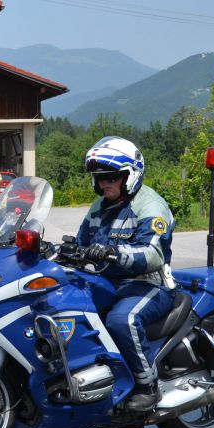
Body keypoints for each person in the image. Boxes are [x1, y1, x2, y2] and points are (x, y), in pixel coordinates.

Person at [76, 136, 176, 411]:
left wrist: (113, 253)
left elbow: (153, 254)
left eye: (111, 177)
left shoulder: (149, 206)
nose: (104, 183)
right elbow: (81, 244)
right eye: (100, 177)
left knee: (123, 319)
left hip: (149, 284)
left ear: (129, 176)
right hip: (109, 282)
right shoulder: (99, 208)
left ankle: (148, 387)